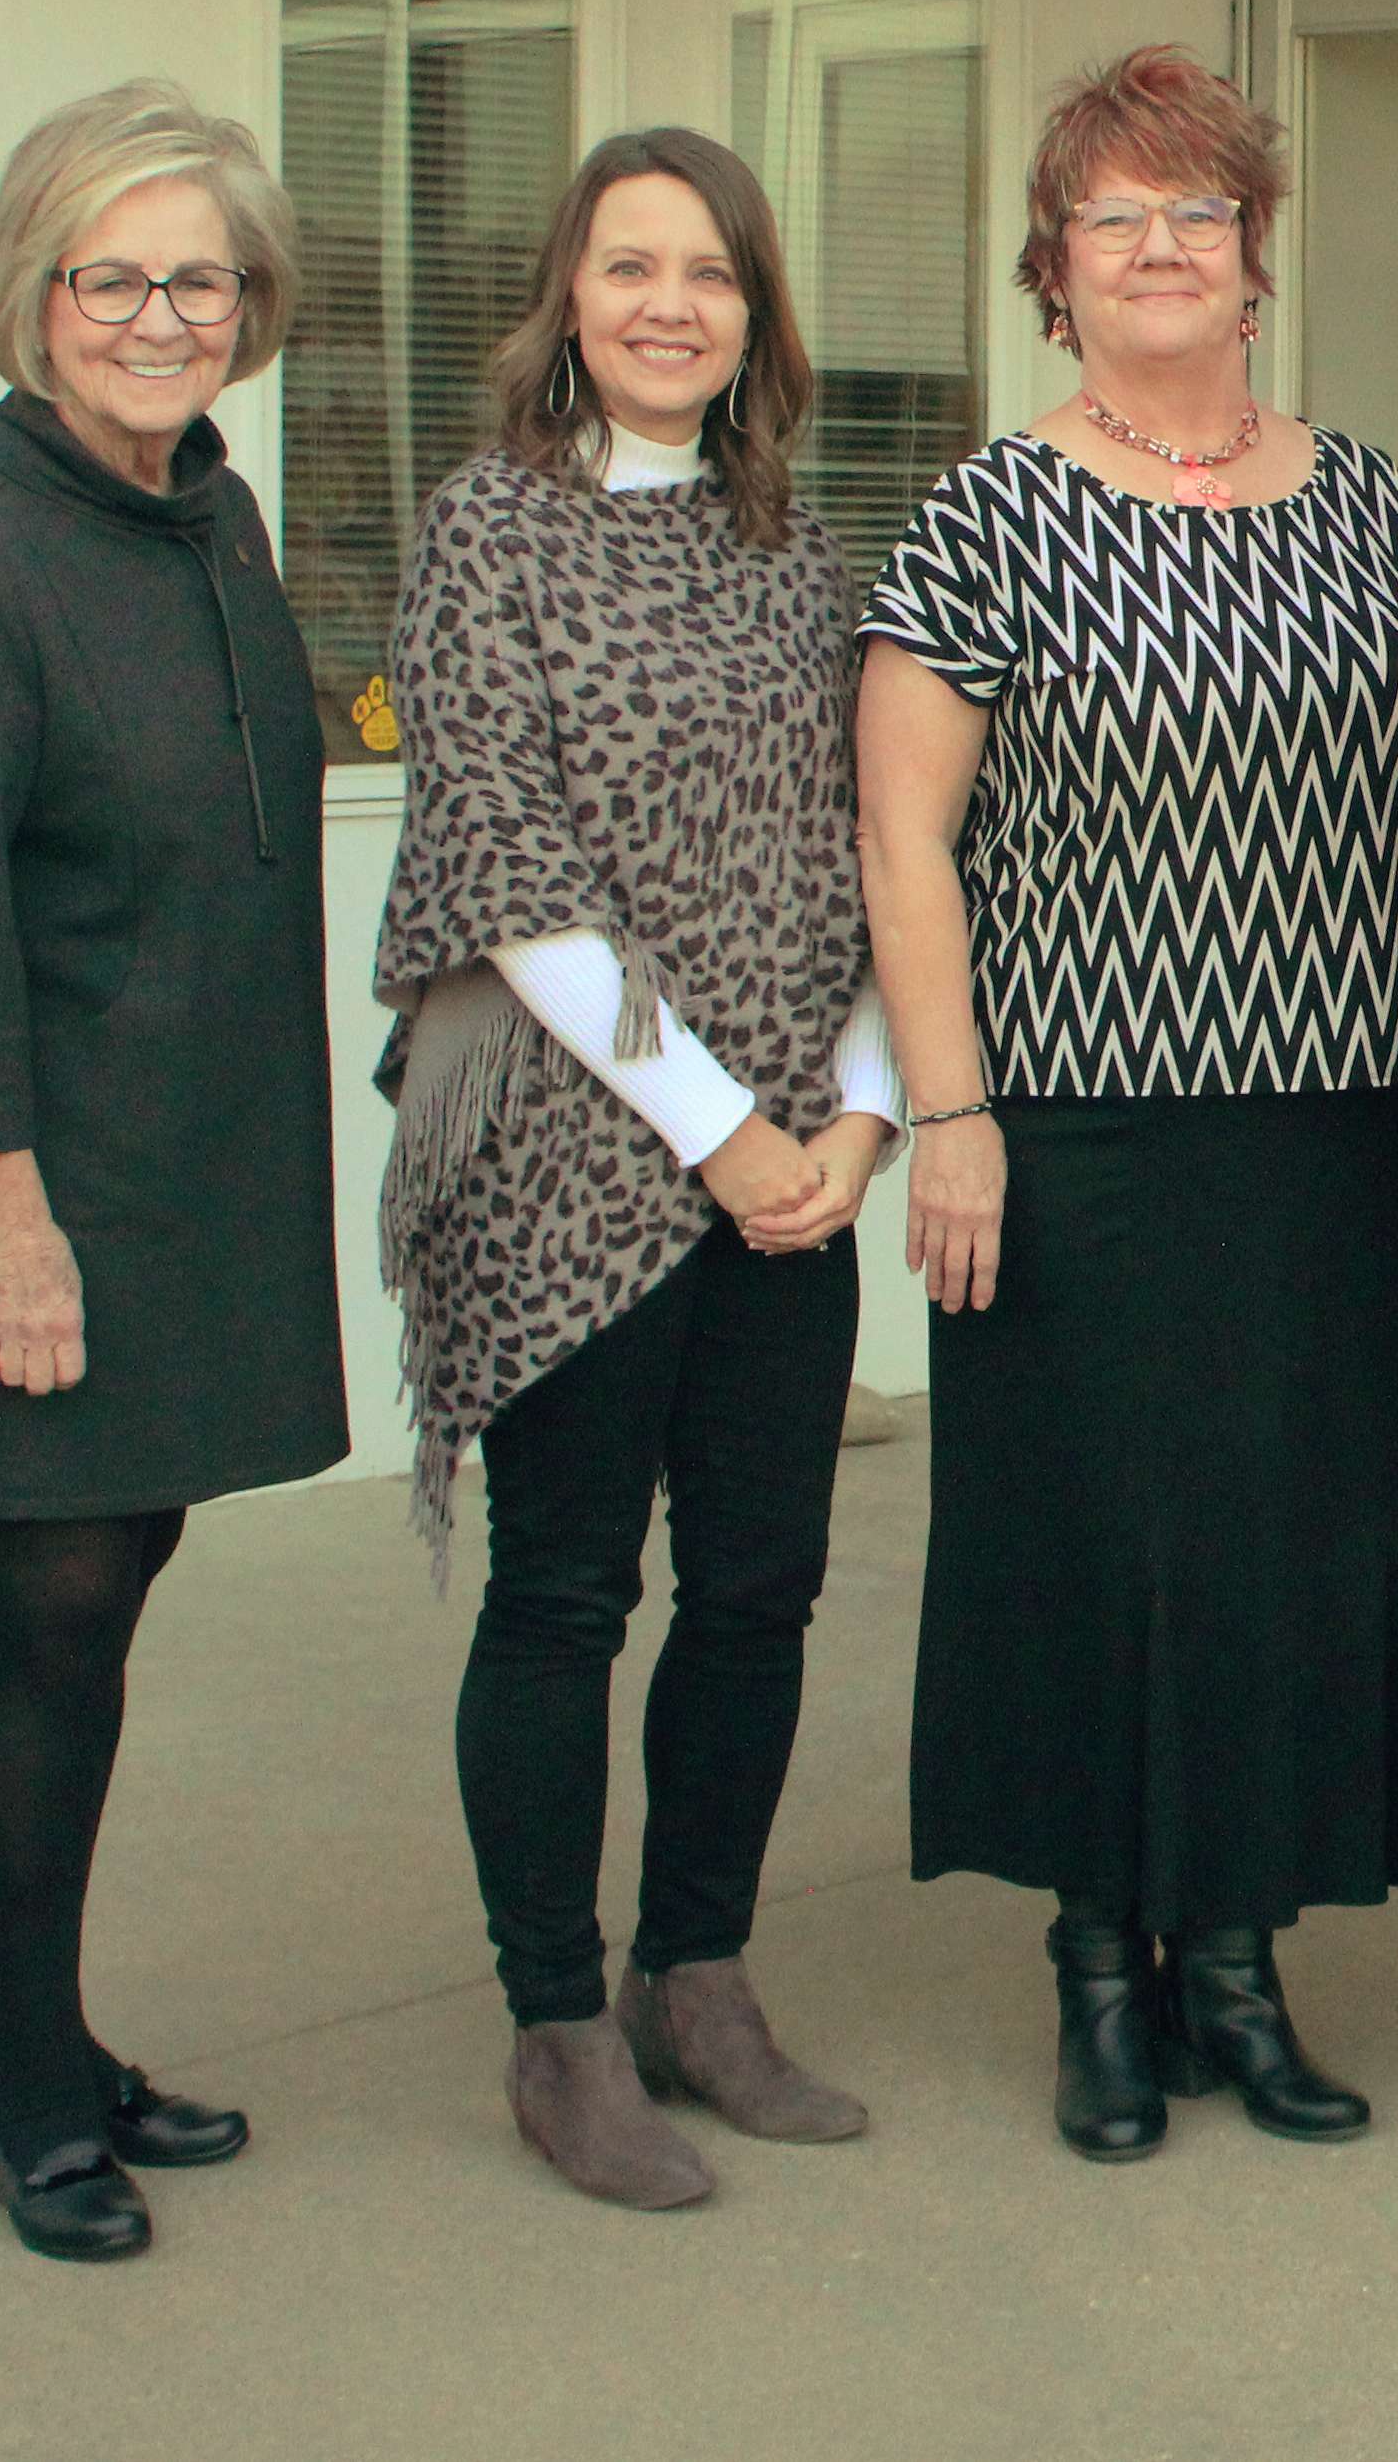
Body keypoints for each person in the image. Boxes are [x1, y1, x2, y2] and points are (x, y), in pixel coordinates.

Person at [859, 47, 1398, 2164]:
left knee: (1294, 1550)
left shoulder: (1378, 500)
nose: (1159, 249)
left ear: (1255, 259)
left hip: (1320, 1110)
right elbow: (904, 838)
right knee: (1092, 1546)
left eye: (1196, 216)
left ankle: (1240, 1955)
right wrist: (949, 1113)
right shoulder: (989, 510)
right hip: (1076, 1119)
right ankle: (1097, 1961)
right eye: (1115, 219)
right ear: (1056, 270)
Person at [0, 81, 346, 2262]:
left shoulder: (206, 514)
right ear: (33, 302)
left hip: (189, 1167)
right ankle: (28, 2076)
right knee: (40, 1612)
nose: (158, 315)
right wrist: (8, 1228)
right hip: (23, 1183)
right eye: (112, 277)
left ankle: (31, 2017)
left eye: (196, 279)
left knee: (107, 1597)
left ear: (251, 308)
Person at [374, 128, 903, 2211]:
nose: (670, 301)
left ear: (757, 312)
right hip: (576, 1163)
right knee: (566, 1591)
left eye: (710, 271)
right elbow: (506, 862)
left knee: (760, 1586)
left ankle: (704, 1974)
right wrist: (727, 1128)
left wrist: (854, 1117)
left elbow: (880, 850)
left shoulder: (803, 548)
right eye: (629, 266)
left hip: (794, 1162)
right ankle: (561, 2019)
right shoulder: (485, 530)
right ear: (566, 296)